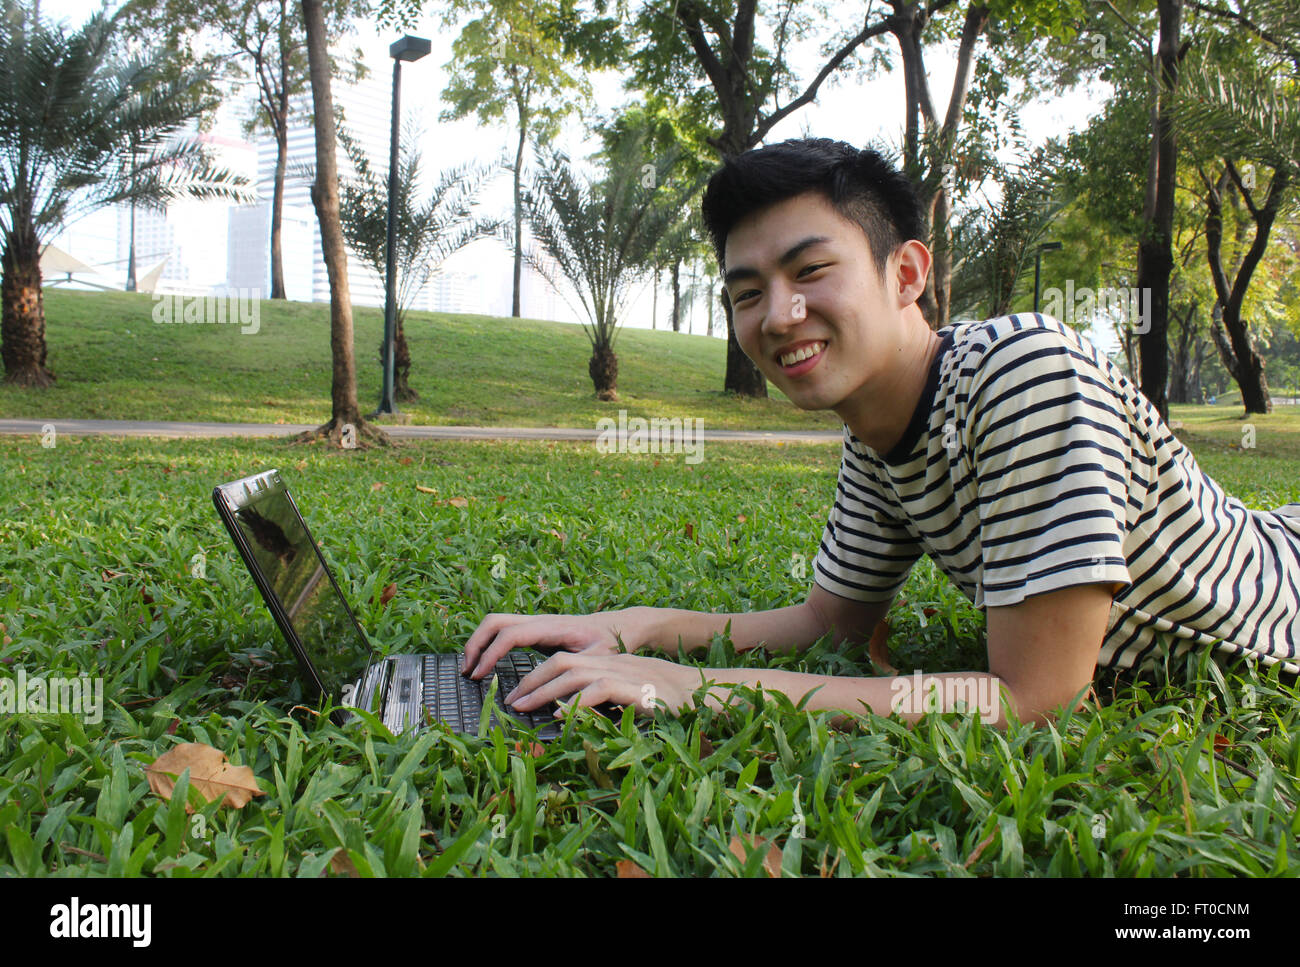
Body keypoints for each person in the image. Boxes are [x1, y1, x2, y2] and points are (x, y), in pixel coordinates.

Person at [461, 138, 1300, 729]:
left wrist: (686, 686)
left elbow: (1037, 700)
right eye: (747, 290)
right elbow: (831, 619)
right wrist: (632, 627)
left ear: (906, 273)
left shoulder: (1028, 373)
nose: (778, 314)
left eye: (812, 270)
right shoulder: (879, 427)